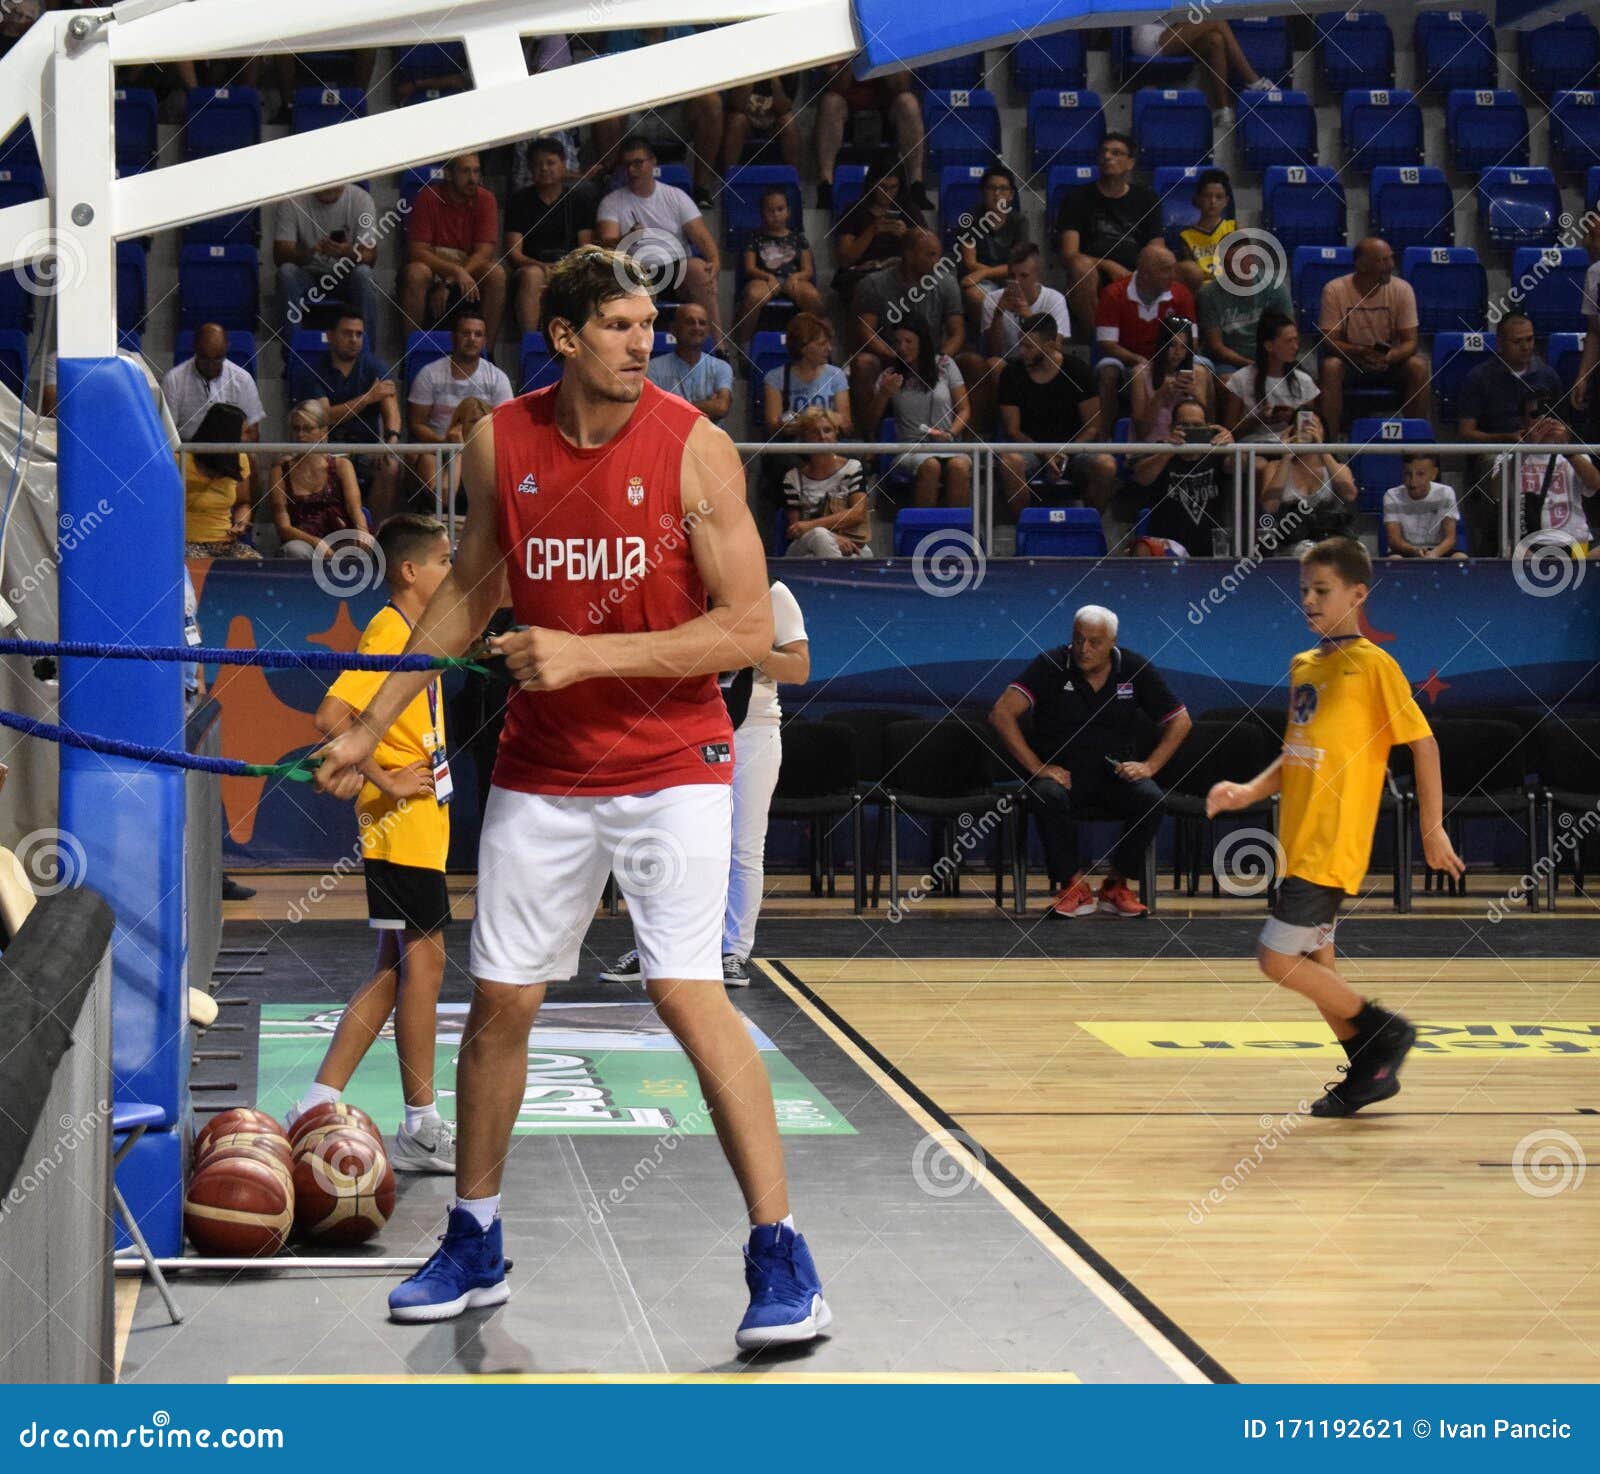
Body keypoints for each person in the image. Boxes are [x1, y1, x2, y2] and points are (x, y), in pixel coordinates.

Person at [311, 246, 829, 1347]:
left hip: (673, 763)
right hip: (545, 774)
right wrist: (362, 726)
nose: (644, 344)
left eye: (651, 325)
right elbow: (466, 593)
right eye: (618, 326)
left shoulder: (695, 450)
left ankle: (783, 1257)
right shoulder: (499, 443)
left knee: (689, 995)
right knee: (500, 1002)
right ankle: (476, 1233)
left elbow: (748, 630)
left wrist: (591, 659)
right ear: (561, 336)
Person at [1206, 537, 1465, 1115]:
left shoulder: (1375, 665)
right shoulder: (1304, 666)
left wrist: (1431, 828)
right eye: (1303, 590)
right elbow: (1296, 749)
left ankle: (1386, 1033)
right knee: (1317, 964)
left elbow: (1424, 746)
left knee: (1276, 960)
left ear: (1357, 594)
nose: (1309, 600)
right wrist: (1248, 789)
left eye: (1322, 590)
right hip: (1297, 842)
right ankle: (1369, 1070)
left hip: (1333, 842)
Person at [290, 514, 457, 1171]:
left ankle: (314, 1102)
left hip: (418, 820)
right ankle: (420, 1124)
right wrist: (386, 774)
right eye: (443, 562)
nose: (451, 572)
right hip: (401, 821)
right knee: (428, 963)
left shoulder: (423, 629)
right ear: (411, 571)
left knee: (392, 972)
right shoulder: (390, 628)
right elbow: (331, 717)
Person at [602, 581, 811, 985]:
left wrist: (748, 651)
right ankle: (656, 947)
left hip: (752, 728)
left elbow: (799, 668)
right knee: (662, 841)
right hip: (682, 724)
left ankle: (732, 950)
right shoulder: (677, 589)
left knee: (743, 846)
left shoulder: (771, 593)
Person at [988, 605, 1192, 919]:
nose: (1084, 649)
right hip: (1063, 779)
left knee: (1151, 798)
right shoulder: (1050, 665)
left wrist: (1150, 766)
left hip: (1113, 777)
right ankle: (1073, 887)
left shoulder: (1134, 668)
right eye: (1079, 639)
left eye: (1095, 642)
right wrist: (1037, 768)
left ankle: (1116, 885)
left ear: (1113, 642)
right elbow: (1001, 714)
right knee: (1045, 793)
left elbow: (1180, 721)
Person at [1457, 312, 1565, 555]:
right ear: (1500, 343)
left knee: (1571, 461)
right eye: (1518, 341)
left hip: (1542, 446)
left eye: (1530, 339)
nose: (1526, 347)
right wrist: (1507, 439)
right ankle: (1497, 542)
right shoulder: (1479, 378)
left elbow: (1561, 423)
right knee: (1493, 465)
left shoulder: (1548, 376)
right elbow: (1466, 432)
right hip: (1497, 447)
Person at [595, 134, 722, 340]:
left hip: (676, 267)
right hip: (636, 269)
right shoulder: (612, 202)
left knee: (700, 270)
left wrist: (714, 265)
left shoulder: (675, 196)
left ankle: (719, 348)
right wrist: (627, 237)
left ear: (652, 162)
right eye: (627, 165)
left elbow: (702, 237)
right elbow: (605, 246)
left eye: (638, 163)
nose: (632, 170)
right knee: (640, 280)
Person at [995, 315, 1116, 517]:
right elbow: (1012, 430)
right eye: (1021, 345)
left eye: (1029, 347)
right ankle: (1026, 528)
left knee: (1106, 465)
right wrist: (1044, 452)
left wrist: (1063, 452)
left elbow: (1093, 426)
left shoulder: (1078, 371)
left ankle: (1089, 526)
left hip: (1073, 450)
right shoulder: (1011, 373)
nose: (1022, 352)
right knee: (1010, 463)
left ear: (1050, 345)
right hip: (1030, 450)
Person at [850, 227, 965, 431]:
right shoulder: (874, 284)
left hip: (933, 359)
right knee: (863, 363)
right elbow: (865, 332)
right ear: (909, 254)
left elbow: (957, 333)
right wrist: (897, 356)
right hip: (890, 357)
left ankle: (970, 438)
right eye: (930, 255)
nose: (936, 261)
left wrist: (937, 359)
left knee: (973, 363)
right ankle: (865, 439)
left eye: (938, 255)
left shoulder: (947, 283)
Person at [1317, 236, 1430, 432]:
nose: (1390, 265)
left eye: (1391, 258)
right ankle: (1329, 447)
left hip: (1390, 363)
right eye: (1382, 260)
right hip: (1351, 362)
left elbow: (1411, 342)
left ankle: (1416, 447)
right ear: (1361, 265)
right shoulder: (1334, 289)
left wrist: (1389, 356)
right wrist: (1360, 352)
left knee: (1419, 366)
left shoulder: (1402, 289)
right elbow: (1329, 340)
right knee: (1331, 367)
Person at [300, 311, 404, 523]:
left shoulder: (374, 365)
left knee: (390, 465)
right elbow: (325, 417)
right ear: (330, 336)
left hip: (368, 447)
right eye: (347, 333)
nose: (354, 339)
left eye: (359, 334)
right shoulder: (314, 370)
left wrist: (391, 439)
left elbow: (390, 406)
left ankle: (376, 531)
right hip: (327, 448)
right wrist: (367, 398)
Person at [961, 240, 1072, 433]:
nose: (1017, 282)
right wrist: (998, 315)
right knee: (994, 364)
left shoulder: (1054, 299)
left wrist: (1029, 316)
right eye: (1012, 276)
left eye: (1024, 276)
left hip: (1041, 363)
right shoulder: (993, 300)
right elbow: (992, 351)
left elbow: (1056, 349)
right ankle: (994, 433)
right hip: (1009, 366)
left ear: (1037, 276)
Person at [1057, 134, 1161, 340]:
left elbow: (1158, 249)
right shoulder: (1077, 198)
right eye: (1103, 152)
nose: (1107, 156)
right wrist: (1108, 265)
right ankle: (1099, 341)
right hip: (1093, 274)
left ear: (1130, 163)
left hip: (1137, 274)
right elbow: (1069, 254)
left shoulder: (1146, 199)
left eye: (1116, 153)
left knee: (1186, 272)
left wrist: (1140, 275)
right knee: (1080, 266)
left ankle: (1172, 345)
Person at [1093, 241, 1197, 432]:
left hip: (1172, 361)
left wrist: (1170, 363)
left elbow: (1193, 340)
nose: (1173, 275)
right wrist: (1140, 361)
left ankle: (1209, 432)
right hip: (1128, 363)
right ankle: (1105, 436)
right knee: (1108, 371)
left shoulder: (1181, 294)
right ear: (1146, 274)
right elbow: (1108, 344)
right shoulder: (1114, 294)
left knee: (1204, 368)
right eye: (1167, 270)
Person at [864, 324, 971, 508]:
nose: (902, 348)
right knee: (931, 466)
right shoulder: (889, 375)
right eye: (897, 342)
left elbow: (964, 409)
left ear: (923, 342)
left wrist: (951, 433)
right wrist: (883, 394)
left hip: (948, 443)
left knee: (959, 467)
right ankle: (923, 532)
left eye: (909, 341)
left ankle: (958, 532)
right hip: (909, 448)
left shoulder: (945, 364)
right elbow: (870, 425)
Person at [407, 309, 515, 490]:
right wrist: (446, 445)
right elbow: (416, 424)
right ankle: (437, 512)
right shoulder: (429, 374)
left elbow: (506, 426)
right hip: (438, 449)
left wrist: (473, 449)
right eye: (466, 333)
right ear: (453, 337)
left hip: (482, 450)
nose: (472, 339)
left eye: (478, 334)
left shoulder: (497, 378)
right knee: (424, 458)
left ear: (484, 342)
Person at [402, 154, 507, 340]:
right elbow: (417, 251)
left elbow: (484, 253)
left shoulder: (486, 199)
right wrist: (455, 272)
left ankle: (486, 354)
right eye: (465, 171)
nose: (473, 179)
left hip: (469, 268)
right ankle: (412, 351)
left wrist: (451, 281)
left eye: (476, 171)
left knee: (496, 274)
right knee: (416, 273)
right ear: (449, 175)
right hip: (435, 266)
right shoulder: (428, 196)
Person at [503, 136, 599, 334]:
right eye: (538, 164)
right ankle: (531, 341)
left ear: (563, 165)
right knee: (533, 275)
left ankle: (582, 337)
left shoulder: (580, 200)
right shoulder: (519, 202)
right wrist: (542, 266)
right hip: (531, 266)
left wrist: (565, 266)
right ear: (530, 169)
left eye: (550, 163)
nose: (544, 169)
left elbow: (585, 247)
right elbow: (514, 253)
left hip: (569, 265)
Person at [1129, 397, 1237, 557]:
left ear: (1208, 427)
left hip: (1213, 547)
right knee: (1143, 549)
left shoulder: (1217, 453)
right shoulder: (1160, 450)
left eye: (1197, 426)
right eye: (1184, 425)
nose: (1190, 430)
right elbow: (1142, 477)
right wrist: (1169, 450)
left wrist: (1232, 446)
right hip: (1169, 549)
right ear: (1172, 427)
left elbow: (1238, 465)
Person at [1494, 394, 1600, 556]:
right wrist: (1527, 448)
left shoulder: (1576, 455)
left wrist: (1566, 449)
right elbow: (1496, 491)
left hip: (1576, 543)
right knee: (1516, 554)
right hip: (1529, 544)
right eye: (1535, 415)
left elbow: (1595, 484)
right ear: (1523, 422)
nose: (1543, 420)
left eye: (1551, 414)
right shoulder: (1508, 456)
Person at [273, 180, 380, 337]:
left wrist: (346, 252)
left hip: (346, 275)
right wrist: (308, 254)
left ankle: (366, 353)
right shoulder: (292, 200)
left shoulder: (361, 199)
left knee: (364, 274)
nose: (329, 186)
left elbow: (370, 256)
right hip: (307, 274)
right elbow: (280, 255)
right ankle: (292, 354)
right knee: (286, 272)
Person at [813, 70, 927, 212]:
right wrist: (853, 59)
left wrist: (882, 57)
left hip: (886, 111)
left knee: (908, 102)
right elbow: (837, 86)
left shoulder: (890, 47)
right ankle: (826, 185)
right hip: (846, 110)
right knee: (830, 101)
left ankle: (916, 184)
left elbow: (901, 85)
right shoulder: (840, 47)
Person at [269, 400, 370, 559]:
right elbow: (283, 526)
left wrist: (362, 531)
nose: (300, 435)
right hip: (303, 542)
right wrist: (317, 543)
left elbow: (354, 508)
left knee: (360, 548)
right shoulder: (280, 471)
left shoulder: (342, 466)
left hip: (341, 537)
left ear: (323, 431)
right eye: (296, 429)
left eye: (308, 429)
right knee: (295, 551)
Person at [1131, 20, 1276, 129]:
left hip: (1173, 32)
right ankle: (1253, 81)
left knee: (1214, 40)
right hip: (1149, 36)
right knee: (1216, 20)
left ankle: (1222, 110)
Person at [1258, 411, 1360, 554]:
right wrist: (1286, 457)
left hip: (1330, 538)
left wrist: (1321, 448)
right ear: (1292, 430)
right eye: (1303, 424)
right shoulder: (1275, 466)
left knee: (1359, 551)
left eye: (1314, 425)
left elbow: (1349, 495)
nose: (1308, 429)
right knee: (1307, 550)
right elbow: (1269, 508)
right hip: (1291, 538)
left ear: (1324, 431)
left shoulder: (1338, 467)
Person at [736, 187, 824, 346]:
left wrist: (796, 277)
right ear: (762, 213)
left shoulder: (798, 237)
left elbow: (807, 269)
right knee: (754, 296)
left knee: (812, 296)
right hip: (763, 279)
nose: (776, 215)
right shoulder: (754, 237)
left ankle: (817, 341)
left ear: (788, 211)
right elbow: (749, 268)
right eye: (770, 211)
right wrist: (768, 277)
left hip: (793, 279)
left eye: (780, 209)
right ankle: (744, 344)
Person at [1198, 229, 1294, 374]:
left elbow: (1288, 332)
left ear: (1252, 259)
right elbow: (1216, 347)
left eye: (1238, 261)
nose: (1233, 269)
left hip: (1270, 356)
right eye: (1227, 263)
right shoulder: (1208, 295)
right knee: (1228, 382)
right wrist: (1251, 365)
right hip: (1229, 362)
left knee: (1301, 382)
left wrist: (1272, 360)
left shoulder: (1274, 288)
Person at [780, 407, 872, 557]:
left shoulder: (852, 468)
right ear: (805, 438)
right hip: (804, 544)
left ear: (836, 434)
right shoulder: (793, 478)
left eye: (827, 430)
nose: (822, 437)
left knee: (860, 554)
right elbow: (796, 530)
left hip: (848, 539)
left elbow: (858, 513)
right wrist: (832, 537)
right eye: (815, 432)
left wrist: (811, 525)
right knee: (819, 535)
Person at [832, 156, 924, 301]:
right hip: (864, 273)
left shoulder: (909, 210)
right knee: (872, 290)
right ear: (872, 185)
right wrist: (872, 230)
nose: (888, 193)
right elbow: (845, 259)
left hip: (900, 272)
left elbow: (928, 250)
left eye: (893, 187)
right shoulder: (854, 210)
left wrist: (907, 235)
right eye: (882, 187)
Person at [1222, 309, 1318, 442]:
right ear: (1269, 346)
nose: (1295, 347)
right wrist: (1256, 420)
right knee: (1259, 463)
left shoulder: (1304, 380)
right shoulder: (1240, 379)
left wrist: (1294, 417)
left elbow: (1311, 429)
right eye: (1288, 341)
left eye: (1296, 340)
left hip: (1290, 446)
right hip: (1253, 448)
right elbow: (1229, 431)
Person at [161, 323, 265, 442]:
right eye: (204, 358)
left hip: (231, 450)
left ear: (227, 348)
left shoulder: (243, 379)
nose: (210, 365)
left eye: (217, 358)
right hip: (187, 451)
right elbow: (167, 435)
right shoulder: (173, 380)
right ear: (194, 348)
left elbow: (253, 433)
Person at [183, 404, 260, 559]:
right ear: (225, 435)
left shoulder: (241, 459)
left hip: (224, 541)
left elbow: (243, 503)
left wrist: (241, 522)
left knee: (254, 562)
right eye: (242, 433)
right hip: (187, 542)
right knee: (199, 562)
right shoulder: (181, 460)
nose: (246, 439)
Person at [761, 311, 852, 436]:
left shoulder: (836, 375)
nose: (829, 349)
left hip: (827, 442)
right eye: (822, 344)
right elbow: (773, 426)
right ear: (802, 347)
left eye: (829, 343)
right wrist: (806, 423)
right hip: (794, 446)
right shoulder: (775, 378)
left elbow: (846, 425)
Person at [958, 166, 1027, 326]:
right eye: (991, 188)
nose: (997, 194)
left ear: (1011, 195)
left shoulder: (1019, 221)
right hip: (981, 281)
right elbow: (970, 262)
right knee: (975, 294)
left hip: (1009, 279)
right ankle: (987, 340)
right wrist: (988, 275)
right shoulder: (969, 220)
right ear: (983, 192)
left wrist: (985, 273)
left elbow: (1019, 266)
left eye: (1003, 189)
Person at [1130, 314, 1216, 441]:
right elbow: (1141, 433)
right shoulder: (1140, 374)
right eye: (1172, 345)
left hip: (1189, 447)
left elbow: (1209, 424)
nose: (1178, 352)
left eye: (1184, 346)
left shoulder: (1200, 373)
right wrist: (1159, 396)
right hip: (1153, 447)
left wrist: (1195, 394)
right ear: (1162, 345)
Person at [646, 302, 734, 422]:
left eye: (702, 323)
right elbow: (655, 412)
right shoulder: (653, 368)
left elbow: (721, 408)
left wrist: (673, 407)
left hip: (710, 439)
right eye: (690, 322)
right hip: (669, 438)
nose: (697, 327)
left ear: (708, 331)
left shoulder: (721, 367)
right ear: (674, 329)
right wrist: (708, 405)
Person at [1383, 452, 1466, 559]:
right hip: (1405, 550)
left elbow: (1450, 538)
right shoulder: (1391, 495)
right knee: (1394, 559)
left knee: (1460, 558)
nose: (1413, 481)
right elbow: (1394, 540)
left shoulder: (1446, 492)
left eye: (1420, 474)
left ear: (1433, 473)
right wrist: (1414, 551)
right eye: (1408, 474)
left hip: (1438, 549)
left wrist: (1434, 553)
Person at [1171, 168, 1236, 292]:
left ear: (1226, 201)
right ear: (1198, 199)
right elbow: (1190, 278)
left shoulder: (1234, 228)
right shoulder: (1186, 236)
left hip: (1230, 291)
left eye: (1219, 197)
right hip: (1201, 293)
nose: (1212, 202)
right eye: (1207, 196)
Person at [721, 76, 801, 172]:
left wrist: (774, 78)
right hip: (746, 122)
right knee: (737, 120)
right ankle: (728, 175)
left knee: (788, 122)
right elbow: (738, 105)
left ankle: (793, 178)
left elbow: (783, 109)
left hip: (773, 123)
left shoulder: (789, 71)